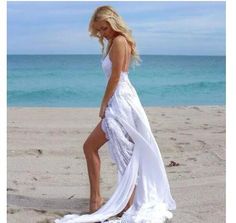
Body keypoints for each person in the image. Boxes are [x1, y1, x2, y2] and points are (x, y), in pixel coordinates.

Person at [55, 5, 176, 223]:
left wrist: (104, 105)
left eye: (104, 28)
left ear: (113, 22)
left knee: (95, 147)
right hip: (122, 98)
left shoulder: (119, 41)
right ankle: (116, 201)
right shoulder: (114, 41)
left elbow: (116, 77)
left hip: (120, 101)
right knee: (123, 151)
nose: (102, 33)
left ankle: (99, 200)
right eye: (99, 30)